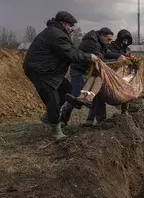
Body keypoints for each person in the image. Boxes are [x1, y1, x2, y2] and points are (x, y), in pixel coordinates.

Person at [23, 11, 98, 140]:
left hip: (49, 70)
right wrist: (89, 57)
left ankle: (49, 116)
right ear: (63, 24)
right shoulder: (57, 35)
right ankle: (56, 130)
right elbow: (70, 54)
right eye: (70, 25)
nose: (73, 28)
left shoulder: (58, 33)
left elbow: (71, 51)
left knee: (67, 90)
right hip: (40, 71)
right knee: (52, 98)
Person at [59, 27, 126, 126]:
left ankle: (101, 121)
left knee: (98, 95)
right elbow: (100, 60)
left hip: (89, 71)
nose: (110, 42)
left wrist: (117, 56)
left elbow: (105, 53)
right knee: (76, 95)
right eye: (108, 39)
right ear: (102, 36)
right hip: (79, 70)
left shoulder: (100, 42)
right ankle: (62, 118)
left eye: (111, 39)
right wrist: (116, 62)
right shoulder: (92, 43)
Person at [108, 29, 134, 115]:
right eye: (124, 39)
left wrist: (132, 60)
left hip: (123, 73)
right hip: (111, 73)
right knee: (101, 94)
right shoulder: (111, 47)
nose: (125, 41)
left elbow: (129, 61)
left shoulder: (127, 49)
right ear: (120, 39)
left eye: (127, 40)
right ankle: (93, 118)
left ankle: (124, 111)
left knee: (127, 89)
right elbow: (107, 58)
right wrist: (118, 58)